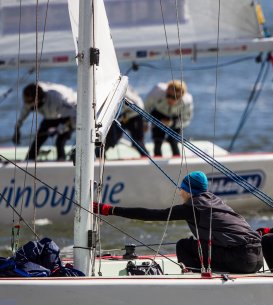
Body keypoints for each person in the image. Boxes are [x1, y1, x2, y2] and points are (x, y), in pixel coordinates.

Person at [94, 171, 263, 274]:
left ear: (189, 190)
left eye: (182, 188)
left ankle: (198, 281)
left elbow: (152, 215)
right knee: (199, 242)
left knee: (184, 246)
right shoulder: (215, 200)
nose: (180, 192)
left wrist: (111, 210)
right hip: (258, 259)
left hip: (241, 260)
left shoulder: (193, 207)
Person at [12, 82, 77, 161]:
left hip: (67, 117)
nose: (27, 105)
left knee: (60, 142)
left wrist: (62, 128)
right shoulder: (29, 99)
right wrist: (17, 129)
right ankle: (29, 160)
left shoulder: (58, 100)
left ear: (38, 100)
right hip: (49, 118)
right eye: (26, 102)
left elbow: (77, 115)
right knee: (37, 141)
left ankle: (61, 161)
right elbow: (24, 113)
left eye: (29, 103)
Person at [144, 80, 193, 157]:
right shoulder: (157, 91)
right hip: (158, 114)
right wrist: (145, 123)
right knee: (158, 140)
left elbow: (186, 120)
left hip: (175, 119)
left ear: (182, 96)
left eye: (174, 97)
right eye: (168, 95)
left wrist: (172, 123)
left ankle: (177, 161)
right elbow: (146, 107)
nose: (170, 99)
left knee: (173, 141)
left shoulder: (187, 101)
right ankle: (157, 160)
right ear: (166, 91)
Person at [101, 86, 149, 157]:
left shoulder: (125, 94)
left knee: (138, 141)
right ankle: (99, 155)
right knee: (112, 139)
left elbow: (139, 105)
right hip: (122, 117)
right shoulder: (107, 94)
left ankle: (146, 157)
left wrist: (145, 122)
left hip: (134, 115)